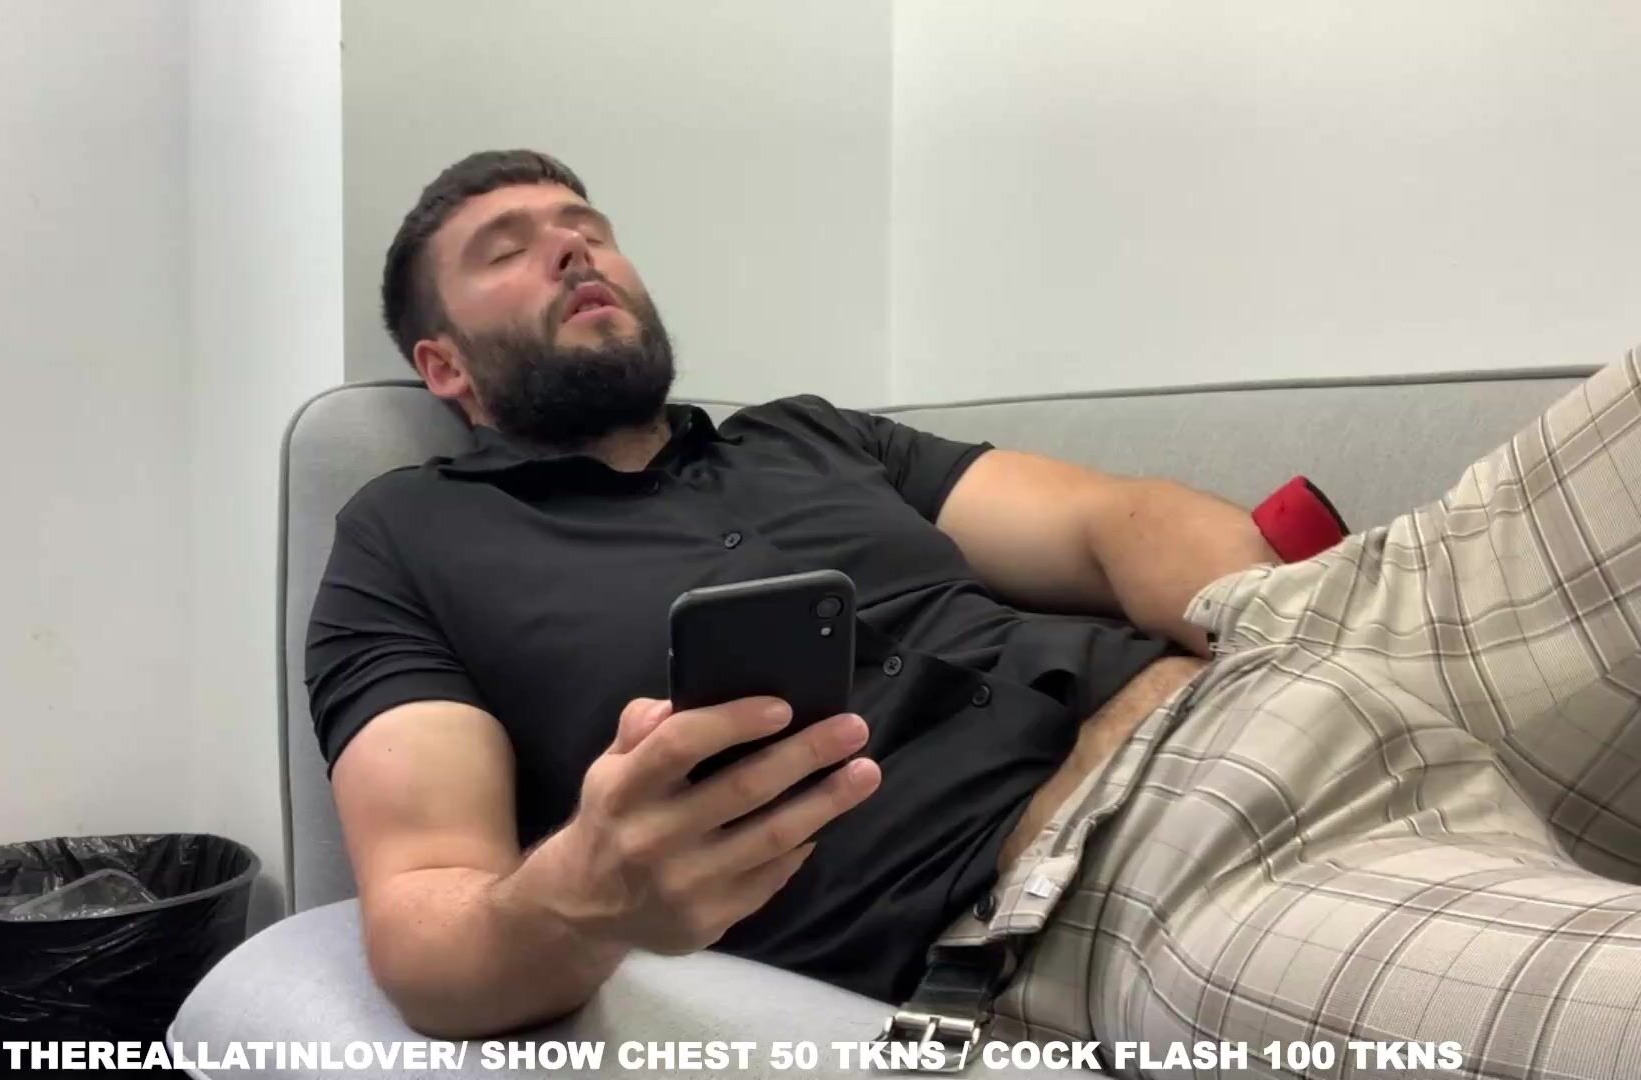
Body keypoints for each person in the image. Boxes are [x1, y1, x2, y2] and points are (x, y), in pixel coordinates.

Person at [306, 149, 1641, 1078]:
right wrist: (581, 902)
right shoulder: (405, 540)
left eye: (585, 225)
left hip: (1334, 644)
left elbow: (1108, 521)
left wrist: (1263, 611)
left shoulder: (809, 434)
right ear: (444, 366)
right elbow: (424, 917)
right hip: (1136, 872)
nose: (573, 247)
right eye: (509, 249)